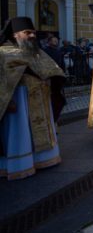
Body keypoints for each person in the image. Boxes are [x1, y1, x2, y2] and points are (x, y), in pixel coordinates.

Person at [0, 17, 66, 180]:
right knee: (20, 130)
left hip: (41, 98)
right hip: (19, 99)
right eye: (27, 32)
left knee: (38, 128)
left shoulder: (36, 51)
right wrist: (7, 102)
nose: (32, 36)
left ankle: (43, 159)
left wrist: (53, 81)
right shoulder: (3, 52)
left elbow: (52, 69)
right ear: (15, 34)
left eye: (33, 33)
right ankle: (20, 165)